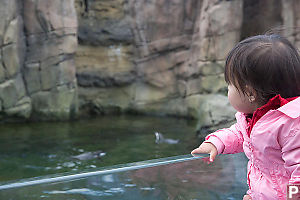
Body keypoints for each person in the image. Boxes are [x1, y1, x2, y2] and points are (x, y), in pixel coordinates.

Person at [191, 34, 300, 200]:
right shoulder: (253, 117)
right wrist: (216, 143)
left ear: (250, 93)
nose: (228, 90)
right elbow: (239, 134)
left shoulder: (292, 126)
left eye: (230, 85)